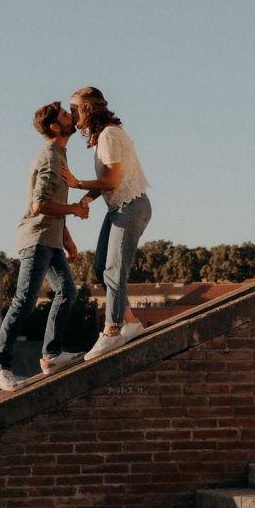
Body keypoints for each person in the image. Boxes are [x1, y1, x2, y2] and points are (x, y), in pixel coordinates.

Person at [0, 101, 90, 391]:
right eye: (68, 115)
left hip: (51, 240)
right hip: (36, 239)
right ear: (56, 126)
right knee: (24, 301)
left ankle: (52, 355)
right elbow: (40, 204)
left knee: (67, 292)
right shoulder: (50, 157)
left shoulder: (60, 156)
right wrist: (75, 209)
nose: (74, 117)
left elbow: (49, 204)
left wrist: (67, 240)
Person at [61, 87, 152, 361]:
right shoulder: (103, 136)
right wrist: (87, 198)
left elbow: (112, 182)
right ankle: (130, 321)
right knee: (102, 268)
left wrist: (77, 183)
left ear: (88, 109)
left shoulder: (110, 135)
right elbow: (109, 182)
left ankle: (112, 330)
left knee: (114, 269)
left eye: (75, 109)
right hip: (118, 207)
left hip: (131, 207)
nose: (72, 114)